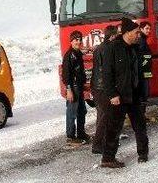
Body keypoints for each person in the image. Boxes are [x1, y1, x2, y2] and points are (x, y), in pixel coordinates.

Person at [101, 17, 148, 168]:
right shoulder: (112, 48)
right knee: (113, 128)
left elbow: (139, 72)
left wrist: (142, 92)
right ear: (127, 33)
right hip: (119, 96)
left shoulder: (135, 48)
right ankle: (108, 159)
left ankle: (143, 154)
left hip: (134, 94)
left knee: (140, 125)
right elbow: (107, 74)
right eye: (136, 33)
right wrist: (112, 94)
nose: (138, 35)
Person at [90, 25, 118, 155]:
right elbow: (107, 71)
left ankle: (101, 142)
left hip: (97, 86)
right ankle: (98, 145)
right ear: (112, 36)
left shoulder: (99, 48)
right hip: (103, 87)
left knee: (101, 115)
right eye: (116, 35)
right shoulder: (109, 49)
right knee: (105, 116)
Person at [61, 30, 89, 145]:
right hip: (73, 88)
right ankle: (71, 137)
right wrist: (69, 90)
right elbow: (66, 75)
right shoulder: (69, 56)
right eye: (76, 40)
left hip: (79, 87)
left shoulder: (77, 53)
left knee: (82, 111)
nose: (78, 42)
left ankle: (81, 133)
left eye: (79, 39)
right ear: (71, 41)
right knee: (72, 113)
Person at [136, 22, 153, 107]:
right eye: (147, 28)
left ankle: (142, 116)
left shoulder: (143, 40)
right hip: (143, 71)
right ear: (141, 29)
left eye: (149, 29)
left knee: (145, 93)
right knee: (143, 93)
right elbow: (140, 58)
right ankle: (141, 117)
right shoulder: (141, 41)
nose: (149, 30)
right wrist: (143, 65)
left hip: (146, 71)